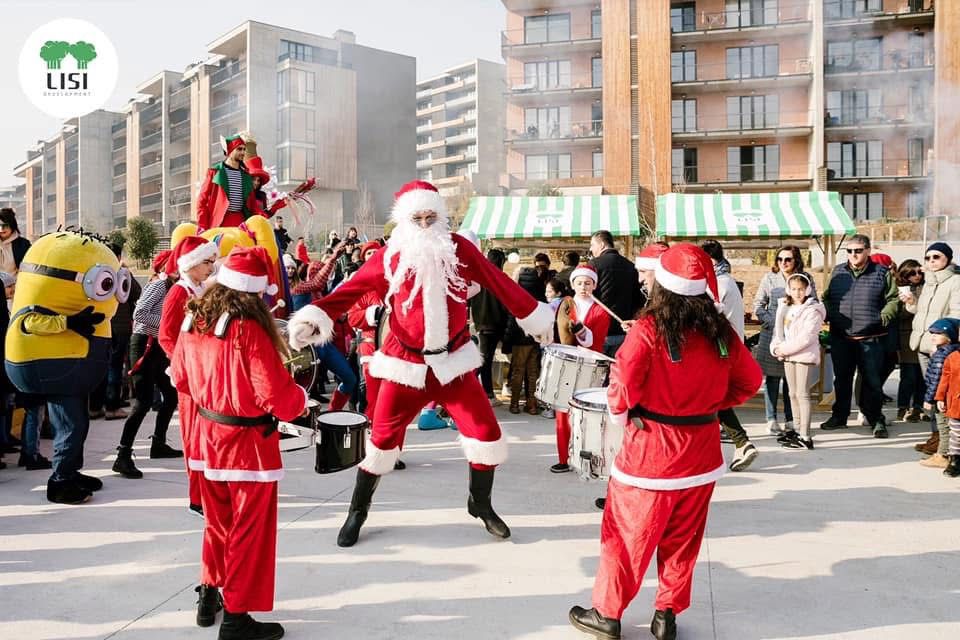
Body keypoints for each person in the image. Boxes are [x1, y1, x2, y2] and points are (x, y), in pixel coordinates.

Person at [286, 180, 554, 547]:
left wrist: (534, 316)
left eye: (432, 217)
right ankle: (357, 512)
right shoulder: (388, 257)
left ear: (441, 217)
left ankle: (480, 503)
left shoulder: (458, 249)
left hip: (453, 366)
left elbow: (497, 281)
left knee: (487, 435)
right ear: (404, 220)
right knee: (380, 443)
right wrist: (310, 320)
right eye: (418, 218)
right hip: (404, 366)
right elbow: (345, 293)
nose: (426, 225)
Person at [568, 244, 762, 640]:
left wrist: (626, 418)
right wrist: (710, 405)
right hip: (702, 455)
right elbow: (750, 380)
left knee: (625, 537)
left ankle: (607, 614)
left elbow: (621, 388)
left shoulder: (648, 329)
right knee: (684, 540)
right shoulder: (720, 330)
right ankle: (666, 614)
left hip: (650, 456)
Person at [170, 246, 308, 640]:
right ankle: (236, 618)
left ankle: (208, 597)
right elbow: (277, 397)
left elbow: (180, 377)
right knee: (249, 532)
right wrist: (299, 397)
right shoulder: (248, 327)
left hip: (206, 439)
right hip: (248, 446)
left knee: (218, 525)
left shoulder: (194, 317)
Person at [6, 231, 123, 504]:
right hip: (51, 368)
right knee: (72, 425)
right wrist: (68, 323)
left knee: (76, 423)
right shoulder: (38, 304)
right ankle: (60, 480)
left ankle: (70, 471)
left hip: (71, 372)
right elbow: (29, 322)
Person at [152, 237, 218, 513]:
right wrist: (185, 361)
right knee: (193, 436)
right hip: (190, 375)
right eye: (207, 262)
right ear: (191, 264)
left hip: (205, 372)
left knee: (207, 435)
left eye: (213, 262)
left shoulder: (201, 289)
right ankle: (197, 498)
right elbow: (166, 336)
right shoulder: (179, 292)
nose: (211, 268)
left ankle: (209, 492)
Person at [821, 234, 899, 437]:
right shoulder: (838, 272)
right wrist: (833, 316)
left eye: (858, 250)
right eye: (849, 251)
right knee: (842, 380)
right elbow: (826, 297)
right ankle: (839, 416)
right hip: (842, 338)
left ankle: (875, 419)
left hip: (871, 338)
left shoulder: (881, 272)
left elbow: (893, 299)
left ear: (868, 251)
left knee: (872, 382)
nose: (853, 254)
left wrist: (882, 317)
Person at [701, 240, 758, 471]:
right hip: (727, 349)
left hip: (719, 351)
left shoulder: (717, 285)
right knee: (715, 399)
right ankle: (740, 443)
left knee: (713, 399)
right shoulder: (726, 281)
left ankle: (741, 442)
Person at [903, 242, 960, 459]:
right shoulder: (928, 281)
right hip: (922, 343)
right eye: (927, 258)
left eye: (936, 257)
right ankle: (936, 437)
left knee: (940, 395)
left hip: (940, 347)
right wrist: (911, 302)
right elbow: (923, 310)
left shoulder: (955, 281)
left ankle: (945, 446)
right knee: (932, 392)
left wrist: (945, 343)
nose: (931, 262)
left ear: (947, 258)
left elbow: (956, 315)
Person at [551, 265, 610, 473]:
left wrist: (581, 331)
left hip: (590, 365)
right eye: (579, 282)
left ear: (594, 285)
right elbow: (555, 331)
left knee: (585, 415)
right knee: (561, 411)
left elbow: (595, 341)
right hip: (566, 363)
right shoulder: (565, 305)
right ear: (572, 284)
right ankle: (563, 458)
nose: (583, 286)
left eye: (588, 283)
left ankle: (584, 458)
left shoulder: (601, 310)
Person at [753, 245, 816, 435]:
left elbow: (813, 302)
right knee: (772, 379)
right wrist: (774, 322)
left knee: (793, 382)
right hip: (772, 335)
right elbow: (758, 304)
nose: (783, 263)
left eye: (787, 259)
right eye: (779, 259)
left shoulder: (806, 278)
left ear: (796, 260)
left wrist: (796, 324)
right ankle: (771, 418)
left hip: (796, 337)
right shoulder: (769, 278)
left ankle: (791, 419)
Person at [771, 274, 826, 450]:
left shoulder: (813, 310)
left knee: (803, 394)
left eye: (801, 289)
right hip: (788, 356)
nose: (797, 292)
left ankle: (806, 435)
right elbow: (779, 331)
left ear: (807, 289)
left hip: (803, 356)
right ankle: (796, 428)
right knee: (792, 394)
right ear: (789, 289)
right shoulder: (785, 306)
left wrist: (784, 349)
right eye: (794, 289)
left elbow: (806, 338)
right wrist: (776, 348)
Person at [89, 244, 141, 422]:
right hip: (119, 327)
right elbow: (136, 293)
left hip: (99, 326)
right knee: (115, 366)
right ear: (118, 256)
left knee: (99, 366)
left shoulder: (94, 271)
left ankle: (95, 407)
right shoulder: (122, 273)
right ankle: (112, 406)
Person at [196, 135, 269, 231]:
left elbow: (252, 204)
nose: (243, 152)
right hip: (219, 222)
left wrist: (262, 216)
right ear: (229, 151)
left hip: (240, 222)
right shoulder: (214, 172)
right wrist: (202, 225)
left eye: (244, 149)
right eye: (239, 149)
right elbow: (202, 201)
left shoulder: (246, 175)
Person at [589, 230, 644, 357]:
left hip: (600, 330)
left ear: (602, 244)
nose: (591, 249)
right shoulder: (631, 266)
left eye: (592, 245)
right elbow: (638, 299)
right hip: (624, 329)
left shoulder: (594, 265)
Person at [919, 318, 960, 470]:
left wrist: (929, 399)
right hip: (944, 397)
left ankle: (942, 455)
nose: (933, 336)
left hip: (941, 398)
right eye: (932, 333)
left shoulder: (943, 355)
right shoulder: (947, 351)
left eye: (938, 333)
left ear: (949, 336)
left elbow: (937, 379)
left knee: (943, 427)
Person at [470, 249, 509, 406]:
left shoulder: (478, 278)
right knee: (485, 360)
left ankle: (488, 392)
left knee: (485, 359)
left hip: (481, 323)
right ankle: (488, 393)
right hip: (497, 324)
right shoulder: (500, 278)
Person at [504, 267, 544, 415]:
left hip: (519, 339)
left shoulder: (516, 295)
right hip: (535, 338)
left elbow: (511, 321)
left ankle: (514, 404)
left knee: (517, 371)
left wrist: (507, 342)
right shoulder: (541, 294)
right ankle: (531, 405)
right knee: (533, 372)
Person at [896, 260, 926, 426]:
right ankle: (902, 406)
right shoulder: (899, 289)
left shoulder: (927, 287)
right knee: (908, 375)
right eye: (912, 273)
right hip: (906, 337)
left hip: (923, 335)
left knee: (922, 376)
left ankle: (918, 407)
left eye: (919, 272)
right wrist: (909, 303)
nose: (917, 276)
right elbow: (898, 316)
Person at [933, 324, 960, 477]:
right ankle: (955, 461)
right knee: (956, 435)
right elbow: (945, 379)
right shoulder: (953, 357)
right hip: (956, 404)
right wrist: (940, 397)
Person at [0, 208, 30, 275]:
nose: (1, 229)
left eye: (5, 225)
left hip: (17, 284)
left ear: (12, 225)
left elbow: (29, 270)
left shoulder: (23, 244)